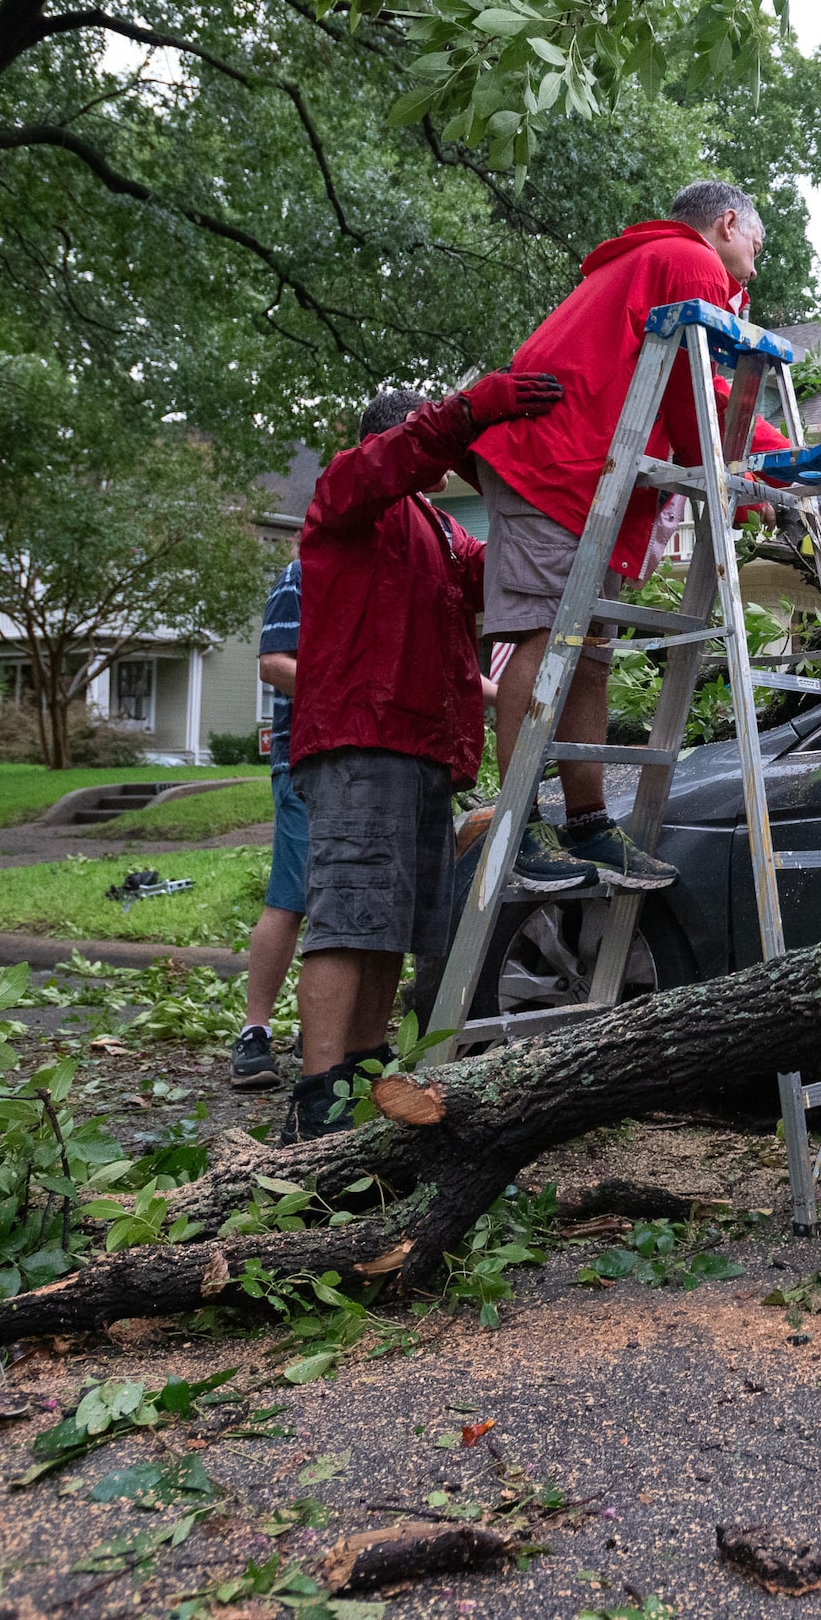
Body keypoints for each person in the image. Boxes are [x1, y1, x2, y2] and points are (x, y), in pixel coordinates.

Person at [467, 179, 790, 893]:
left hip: (587, 475)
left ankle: (587, 822)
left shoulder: (652, 263)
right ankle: (518, 823)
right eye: (756, 249)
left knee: (588, 650)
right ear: (727, 223)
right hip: (554, 464)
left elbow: (690, 388)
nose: (755, 269)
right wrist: (759, 467)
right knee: (545, 633)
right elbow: (693, 393)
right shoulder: (689, 260)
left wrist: (760, 462)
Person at [286, 373, 556, 1140]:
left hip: (419, 747)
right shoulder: (350, 487)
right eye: (438, 438)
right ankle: (316, 1098)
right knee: (346, 918)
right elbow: (391, 460)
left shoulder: (439, 528)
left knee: (389, 925)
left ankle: (361, 1075)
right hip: (360, 740)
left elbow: (492, 575)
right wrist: (473, 409)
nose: (449, 451)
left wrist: (528, 491)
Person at [230, 556, 303, 1093]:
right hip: (302, 758)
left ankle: (327, 1028)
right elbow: (273, 663)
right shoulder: (301, 572)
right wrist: (355, 692)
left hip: (367, 760)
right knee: (291, 896)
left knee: (345, 899)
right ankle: (254, 1031)